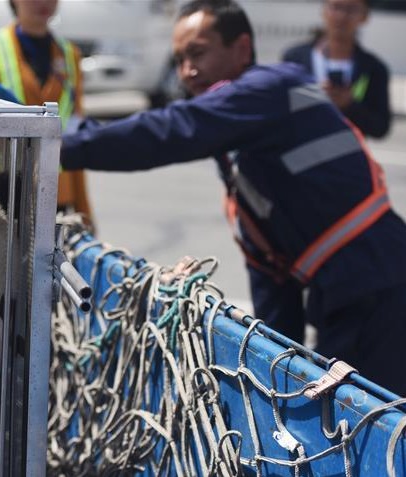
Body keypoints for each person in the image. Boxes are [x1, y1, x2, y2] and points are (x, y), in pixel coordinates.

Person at [61, 0, 406, 396]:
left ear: (242, 48)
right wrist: (275, 371)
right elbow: (271, 273)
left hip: (379, 290)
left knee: (373, 430)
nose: (187, 71)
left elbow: (172, 130)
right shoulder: (241, 145)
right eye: (179, 59)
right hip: (351, 293)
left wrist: (62, 145)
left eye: (198, 53)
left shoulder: (268, 89)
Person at [0, 0, 93, 224]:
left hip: (57, 197)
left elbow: (75, 134)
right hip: (1, 197)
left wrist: (85, 211)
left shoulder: (70, 56)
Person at [283, 0, 391, 138]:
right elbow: (280, 112)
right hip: (298, 153)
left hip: (347, 155)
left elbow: (380, 128)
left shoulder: (374, 68)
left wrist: (349, 104)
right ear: (323, 11)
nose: (342, 16)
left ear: (365, 16)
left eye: (351, 9)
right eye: (336, 7)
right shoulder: (295, 58)